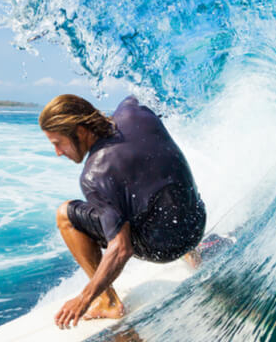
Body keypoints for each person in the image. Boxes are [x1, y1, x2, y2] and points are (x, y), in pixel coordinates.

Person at [40, 94, 206, 329]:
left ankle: (107, 301)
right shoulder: (134, 109)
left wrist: (83, 298)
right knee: (147, 179)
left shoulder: (94, 175)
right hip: (196, 224)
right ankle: (194, 253)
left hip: (165, 248)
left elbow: (121, 248)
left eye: (58, 142)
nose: (57, 151)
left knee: (65, 214)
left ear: (79, 131)